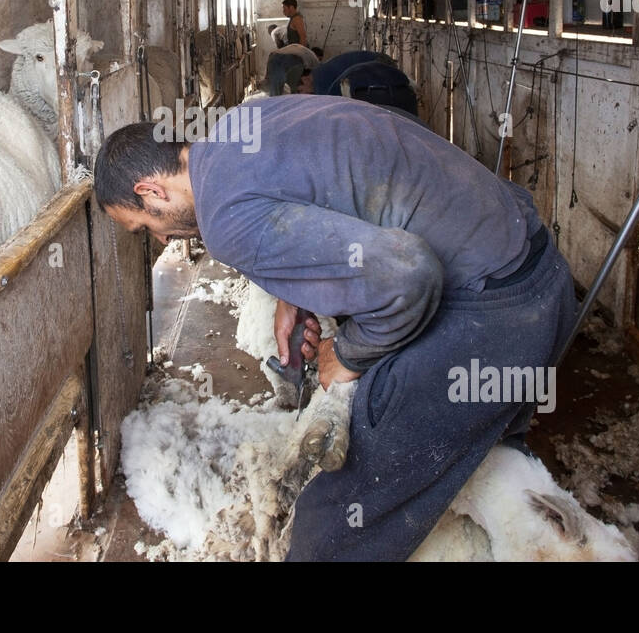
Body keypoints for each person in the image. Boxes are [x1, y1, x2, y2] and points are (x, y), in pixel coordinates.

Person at [93, 96, 577, 561]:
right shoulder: (243, 124)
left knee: (335, 517)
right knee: (477, 465)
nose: (161, 239)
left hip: (498, 317)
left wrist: (344, 354)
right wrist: (294, 290)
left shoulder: (222, 220)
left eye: (145, 228)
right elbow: (332, 175)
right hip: (543, 275)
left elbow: (409, 273)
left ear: (151, 192)